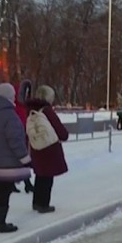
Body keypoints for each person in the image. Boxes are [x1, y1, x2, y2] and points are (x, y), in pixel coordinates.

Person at [0, 83, 32, 232]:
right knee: (3, 193)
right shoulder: (10, 116)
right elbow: (16, 140)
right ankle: (0, 223)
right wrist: (25, 159)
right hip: (6, 163)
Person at [24, 85, 70, 213]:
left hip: (36, 146)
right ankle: (43, 204)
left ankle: (36, 202)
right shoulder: (47, 111)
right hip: (49, 147)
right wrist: (64, 135)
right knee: (48, 177)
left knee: (40, 175)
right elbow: (60, 130)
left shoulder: (30, 110)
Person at [12, 79, 36, 194]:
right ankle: (26, 183)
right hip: (18, 137)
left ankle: (25, 183)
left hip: (23, 136)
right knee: (19, 160)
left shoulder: (22, 107)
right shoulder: (17, 107)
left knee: (21, 161)